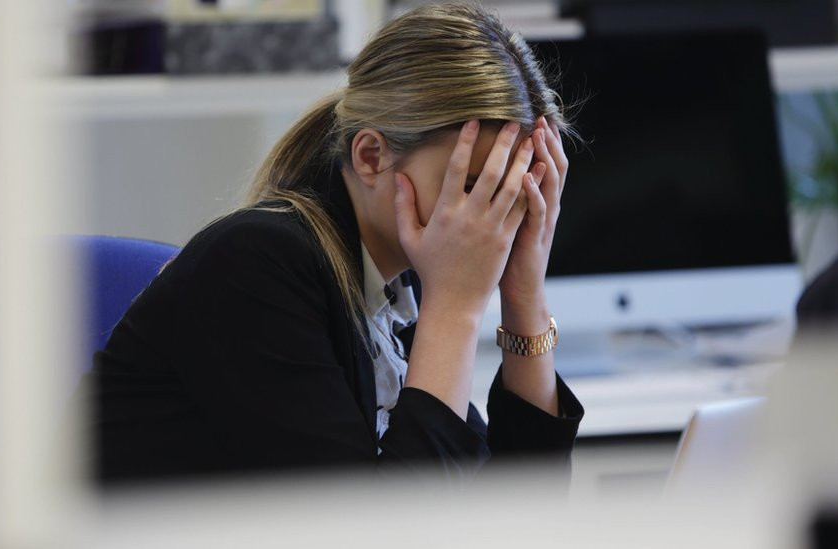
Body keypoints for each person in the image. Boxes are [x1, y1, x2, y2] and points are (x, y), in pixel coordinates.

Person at [82, 2, 584, 484]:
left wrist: (523, 293)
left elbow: (518, 515)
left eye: (515, 191)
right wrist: (455, 308)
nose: (494, 220)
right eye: (474, 187)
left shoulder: (401, 287)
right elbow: (375, 533)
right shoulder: (255, 266)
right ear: (370, 157)